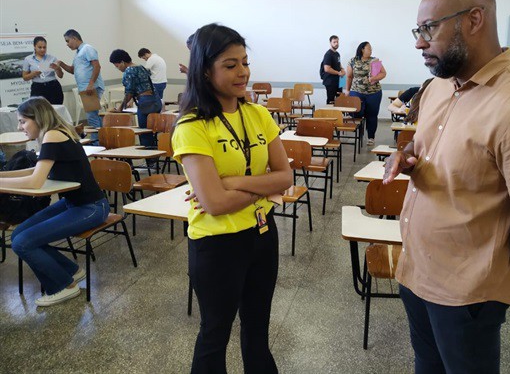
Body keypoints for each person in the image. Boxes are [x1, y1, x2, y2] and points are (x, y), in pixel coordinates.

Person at [383, 0, 510, 374]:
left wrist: (483, 251)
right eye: (418, 31)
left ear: (473, 20)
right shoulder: (439, 87)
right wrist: (407, 155)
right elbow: (426, 146)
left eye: (429, 28)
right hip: (417, 269)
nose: (419, 42)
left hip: (466, 291)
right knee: (427, 365)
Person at [172, 23, 292, 373]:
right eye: (230, 65)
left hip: (262, 234)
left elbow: (286, 177)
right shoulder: (192, 126)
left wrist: (233, 182)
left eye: (245, 62)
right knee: (215, 335)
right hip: (217, 245)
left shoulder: (258, 114)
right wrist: (264, 186)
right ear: (204, 71)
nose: (243, 72)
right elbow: (215, 204)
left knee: (257, 331)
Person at [2, 97, 110, 307]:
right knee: (17, 235)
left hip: (91, 208)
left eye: (23, 121)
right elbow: (34, 171)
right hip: (75, 204)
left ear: (38, 118)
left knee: (22, 242)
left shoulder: (53, 135)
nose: (19, 127)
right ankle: (71, 271)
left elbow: (35, 182)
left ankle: (64, 286)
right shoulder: (53, 133)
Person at [56, 29, 104, 144]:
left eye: (67, 41)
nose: (67, 44)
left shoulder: (87, 48)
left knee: (92, 117)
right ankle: (102, 140)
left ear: (74, 38)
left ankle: (96, 143)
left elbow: (97, 66)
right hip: (85, 89)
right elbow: (72, 70)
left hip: (90, 88)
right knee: (94, 116)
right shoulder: (78, 53)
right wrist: (61, 64)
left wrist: (91, 84)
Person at [109, 49, 161, 149]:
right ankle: (154, 153)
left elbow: (129, 92)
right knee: (151, 131)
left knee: (144, 133)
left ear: (122, 62)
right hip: (155, 100)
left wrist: (120, 108)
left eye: (117, 66)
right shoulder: (140, 67)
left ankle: (148, 155)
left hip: (145, 103)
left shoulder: (129, 70)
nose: (118, 69)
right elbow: (142, 86)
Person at [343, 42, 386, 146]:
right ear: (362, 49)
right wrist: (347, 90)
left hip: (374, 92)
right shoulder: (353, 60)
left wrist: (374, 78)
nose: (371, 50)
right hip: (357, 91)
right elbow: (349, 76)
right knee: (358, 112)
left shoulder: (374, 60)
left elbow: (383, 73)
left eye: (371, 48)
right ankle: (359, 129)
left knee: (372, 115)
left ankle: (371, 137)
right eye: (368, 48)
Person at [22, 36, 64, 105]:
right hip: (38, 88)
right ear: (34, 46)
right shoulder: (28, 59)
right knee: (38, 109)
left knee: (55, 108)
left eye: (44, 47)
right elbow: (25, 77)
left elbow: (61, 76)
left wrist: (57, 68)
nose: (42, 49)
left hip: (53, 87)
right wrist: (33, 74)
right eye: (40, 47)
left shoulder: (52, 58)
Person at [321, 35, 346, 104]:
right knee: (331, 100)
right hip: (330, 81)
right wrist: (338, 73)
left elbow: (339, 64)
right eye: (334, 42)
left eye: (337, 42)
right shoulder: (328, 54)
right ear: (330, 43)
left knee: (340, 100)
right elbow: (327, 69)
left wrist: (343, 70)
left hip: (339, 80)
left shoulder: (337, 54)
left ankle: (339, 111)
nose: (336, 43)